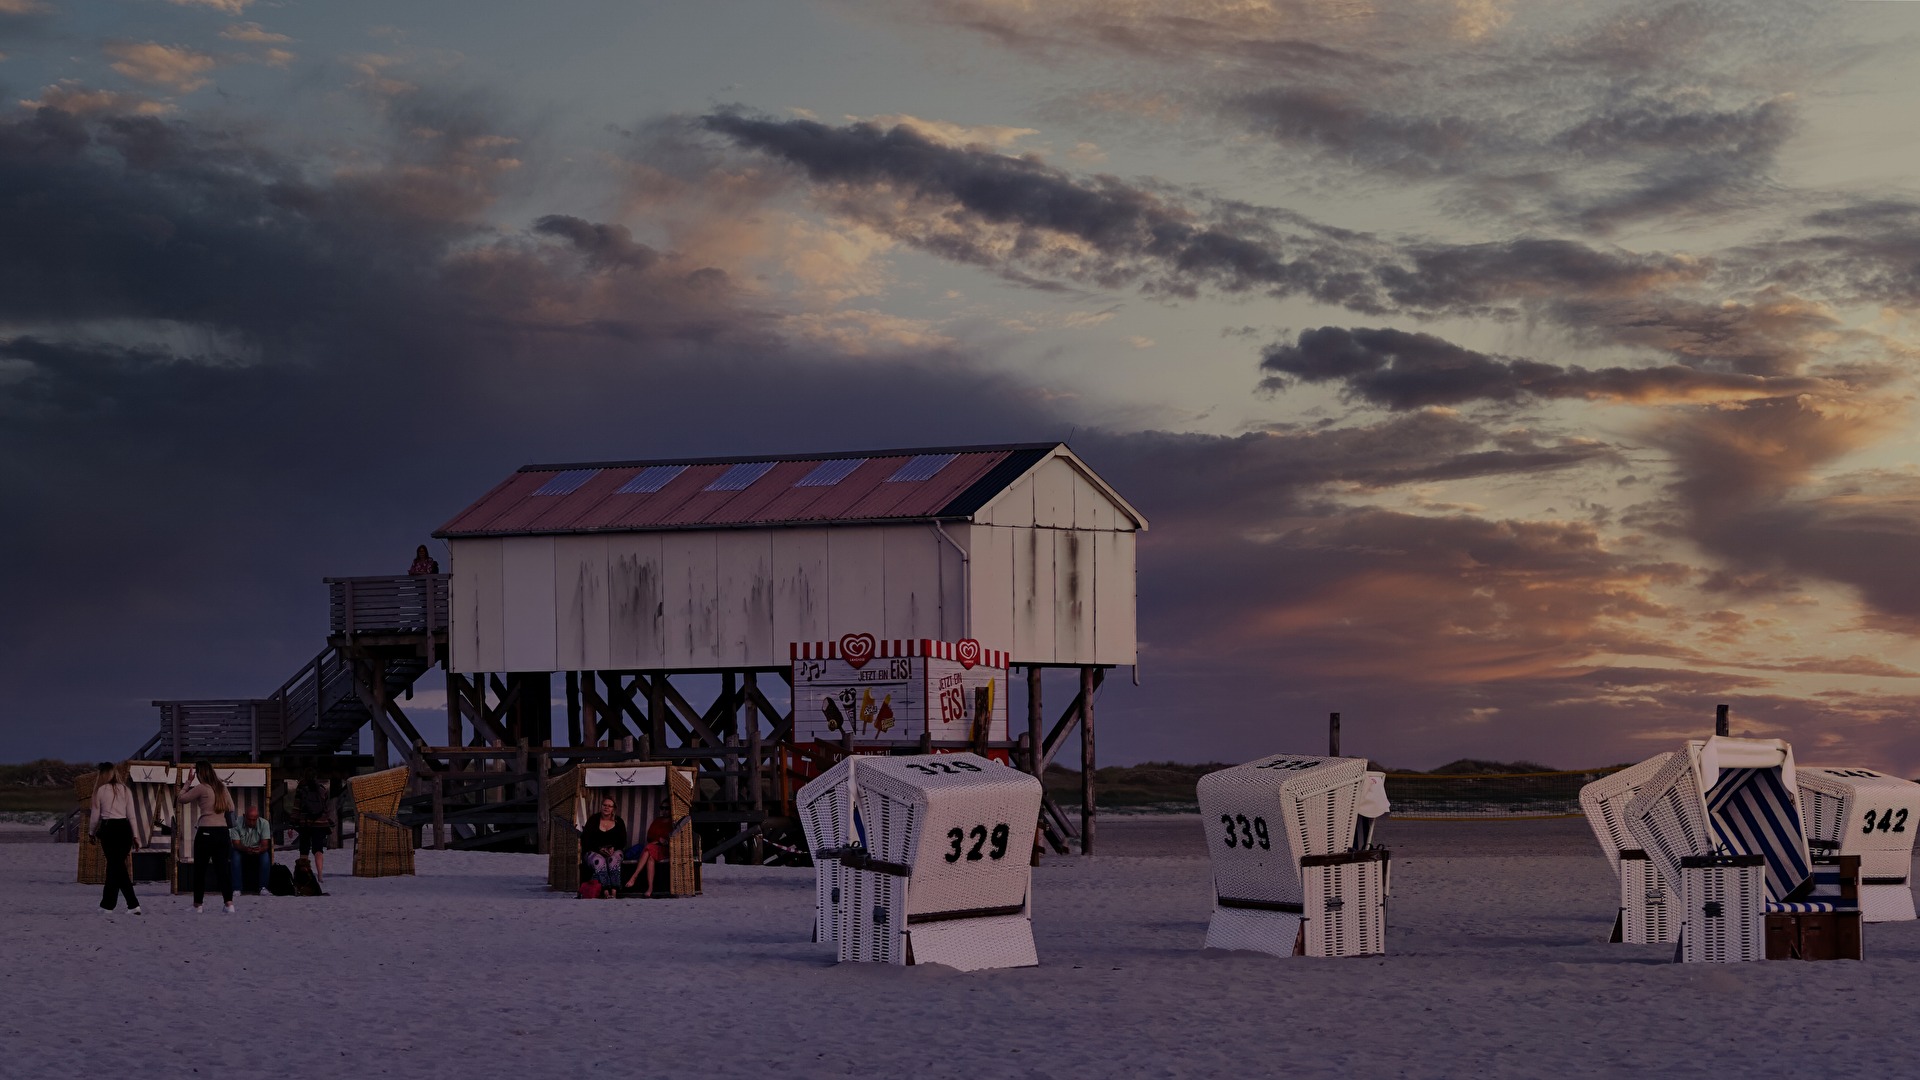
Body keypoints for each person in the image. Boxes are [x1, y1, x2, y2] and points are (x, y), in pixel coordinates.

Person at [178, 760, 235, 913]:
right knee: (223, 869)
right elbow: (231, 807)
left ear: (199, 773)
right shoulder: (221, 787)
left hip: (206, 832)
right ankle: (229, 904)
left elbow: (181, 798)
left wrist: (187, 782)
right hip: (222, 832)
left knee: (200, 870)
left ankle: (198, 905)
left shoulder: (201, 788)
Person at [89, 762, 141, 915]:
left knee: (116, 867)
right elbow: (132, 815)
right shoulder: (125, 790)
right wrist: (136, 835)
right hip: (124, 829)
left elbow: (95, 816)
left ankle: (132, 904)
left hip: (109, 829)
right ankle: (107, 905)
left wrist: (91, 832)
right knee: (115, 867)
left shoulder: (100, 790)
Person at [622, 806, 676, 897]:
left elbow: (676, 837)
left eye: (667, 808)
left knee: (648, 848)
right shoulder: (657, 821)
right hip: (655, 847)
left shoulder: (673, 822)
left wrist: (666, 841)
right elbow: (649, 836)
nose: (664, 810)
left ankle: (634, 876)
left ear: (671, 809)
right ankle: (650, 888)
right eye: (662, 808)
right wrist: (658, 839)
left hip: (667, 849)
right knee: (650, 857)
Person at [580, 796, 627, 898]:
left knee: (613, 860)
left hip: (613, 850)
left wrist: (613, 848)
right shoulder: (593, 820)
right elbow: (586, 840)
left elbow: (623, 841)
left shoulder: (619, 821)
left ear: (613, 809)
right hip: (593, 850)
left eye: (609, 806)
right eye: (604, 805)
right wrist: (599, 849)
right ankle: (605, 892)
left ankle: (614, 892)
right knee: (599, 861)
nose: (606, 808)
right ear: (601, 806)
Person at [291, 776, 333, 884]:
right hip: (320, 823)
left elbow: (296, 808)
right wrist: (327, 819)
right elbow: (327, 807)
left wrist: (292, 825)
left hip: (305, 823)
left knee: (304, 849)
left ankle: (303, 874)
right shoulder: (322, 789)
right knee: (318, 849)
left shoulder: (301, 790)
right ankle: (320, 874)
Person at [229, 804, 272, 896]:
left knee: (265, 856)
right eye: (249, 819)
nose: (252, 822)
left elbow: (265, 845)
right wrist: (246, 849)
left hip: (257, 849)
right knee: (235, 856)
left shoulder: (264, 823)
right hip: (241, 849)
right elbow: (236, 844)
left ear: (258, 817)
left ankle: (263, 887)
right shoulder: (236, 823)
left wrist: (259, 850)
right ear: (244, 816)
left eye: (254, 820)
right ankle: (237, 888)